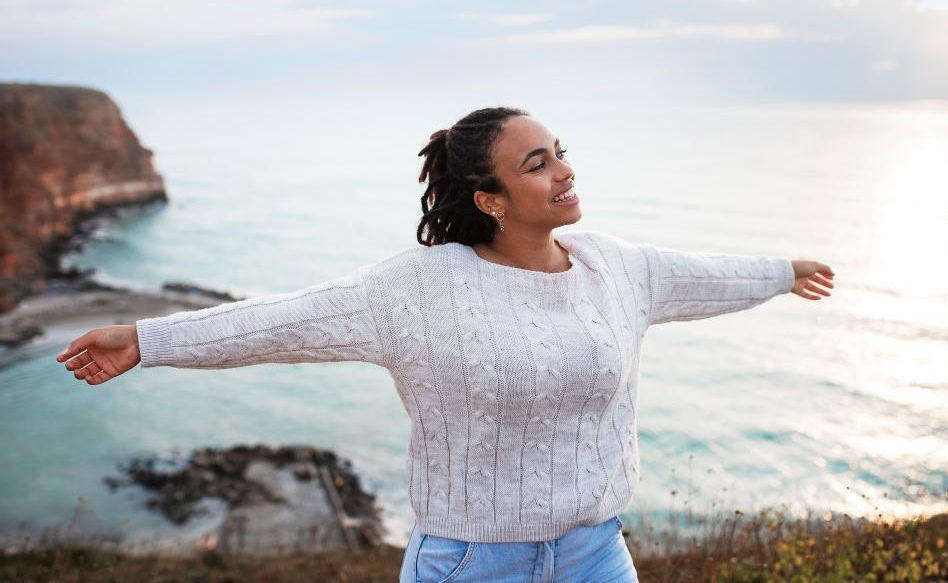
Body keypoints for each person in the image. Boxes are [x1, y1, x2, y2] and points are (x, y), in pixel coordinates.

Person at [55, 106, 834, 582]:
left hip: (595, 555)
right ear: (490, 199)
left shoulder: (616, 266)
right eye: (538, 163)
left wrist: (782, 270)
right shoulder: (420, 288)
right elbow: (283, 318)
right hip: (470, 563)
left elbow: (703, 276)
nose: (565, 171)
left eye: (560, 150)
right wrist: (147, 338)